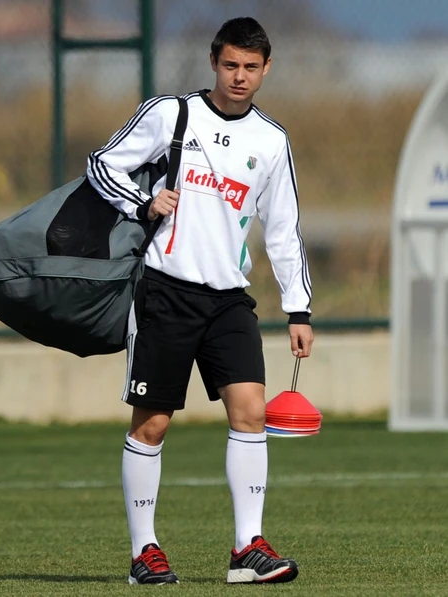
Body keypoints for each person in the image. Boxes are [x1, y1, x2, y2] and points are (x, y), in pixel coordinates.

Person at [86, 17, 314, 585]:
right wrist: (141, 202)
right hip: (165, 291)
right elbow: (102, 164)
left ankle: (247, 549)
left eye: (251, 67)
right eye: (231, 64)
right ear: (214, 61)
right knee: (153, 425)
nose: (240, 76)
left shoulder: (272, 140)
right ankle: (144, 552)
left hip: (230, 300)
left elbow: (283, 230)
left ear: (266, 69)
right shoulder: (172, 114)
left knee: (252, 413)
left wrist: (298, 309)